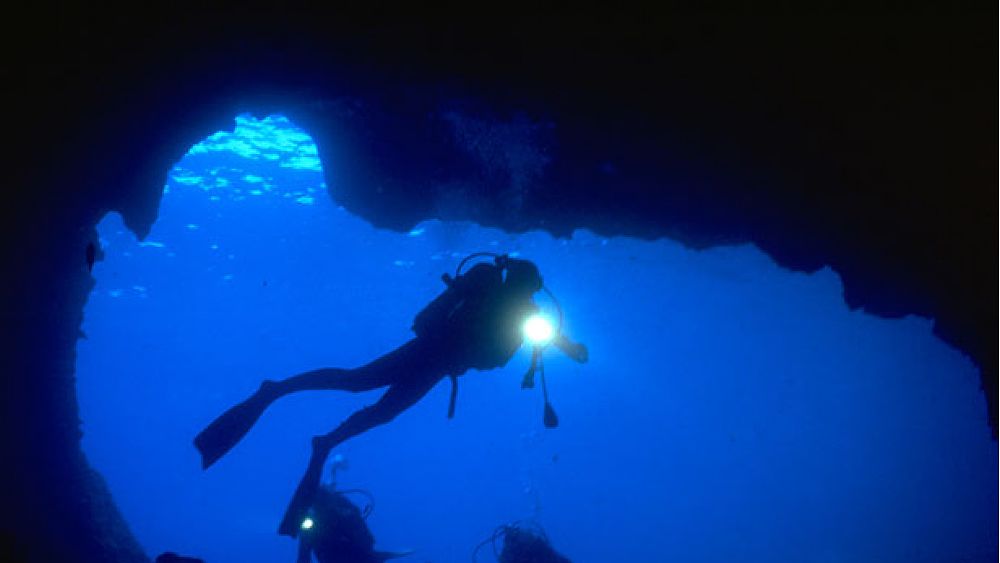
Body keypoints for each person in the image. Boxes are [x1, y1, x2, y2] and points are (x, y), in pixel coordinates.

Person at [194, 254, 588, 537]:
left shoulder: (521, 313)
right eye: (524, 289)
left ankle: (325, 441)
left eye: (528, 292)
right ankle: (278, 391)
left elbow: (538, 339)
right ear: (516, 281)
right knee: (355, 382)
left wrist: (568, 348)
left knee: (381, 412)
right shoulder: (485, 283)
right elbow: (449, 323)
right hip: (425, 353)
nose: (526, 297)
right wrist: (563, 346)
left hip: (436, 367)